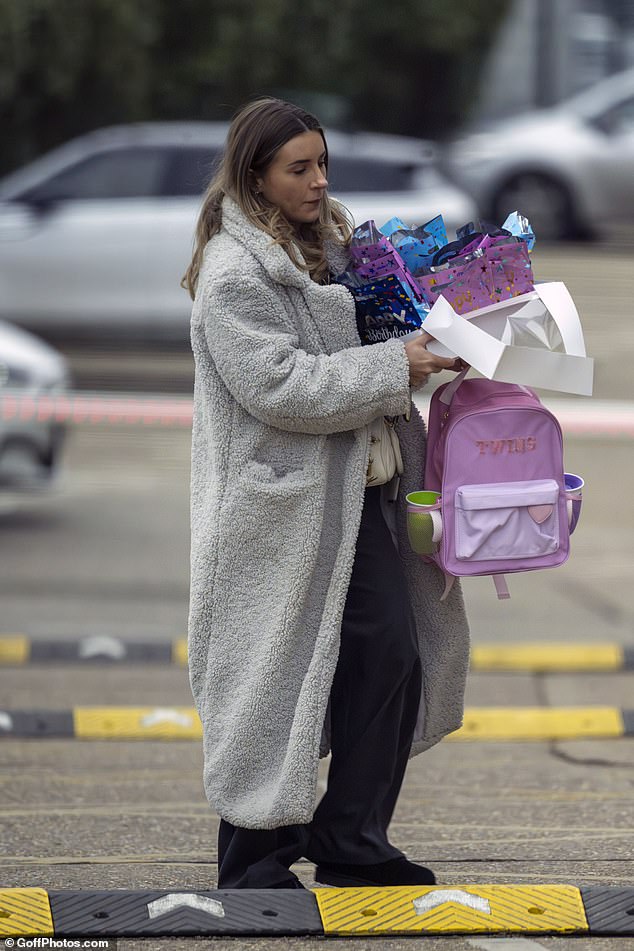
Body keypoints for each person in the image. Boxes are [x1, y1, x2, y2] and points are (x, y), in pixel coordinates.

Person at [183, 97, 470, 890]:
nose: (317, 182)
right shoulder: (233, 273)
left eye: (321, 163)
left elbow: (376, 338)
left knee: (390, 657)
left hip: (360, 493)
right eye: (298, 168)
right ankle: (252, 859)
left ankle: (351, 837)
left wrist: (445, 343)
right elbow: (281, 388)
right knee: (271, 673)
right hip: (279, 511)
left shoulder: (335, 246)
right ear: (256, 175)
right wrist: (396, 367)